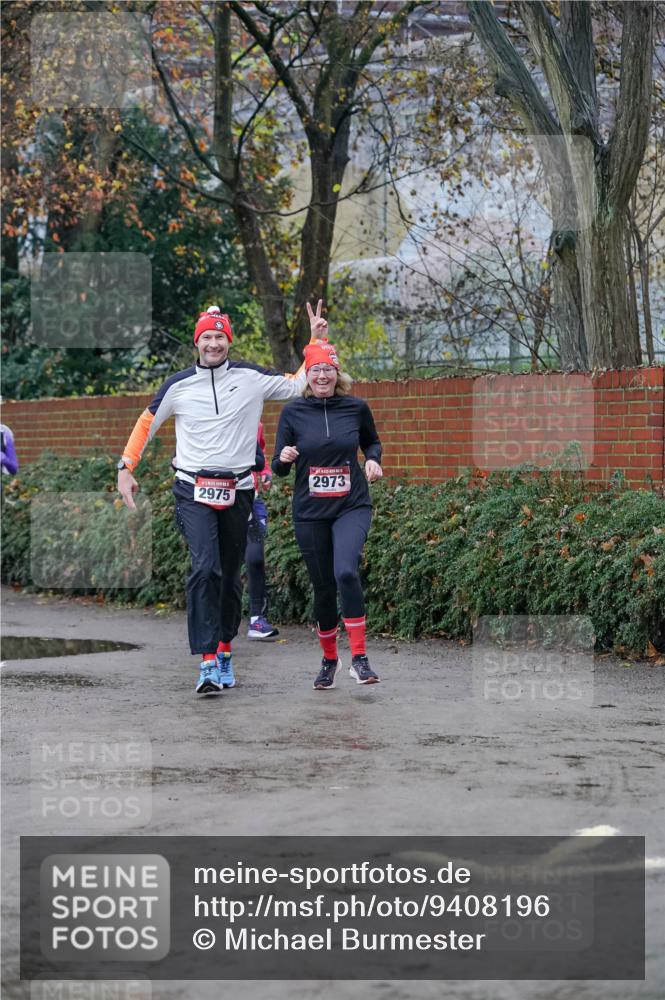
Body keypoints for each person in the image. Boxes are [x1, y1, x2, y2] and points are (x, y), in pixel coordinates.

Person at [117, 302, 327, 695]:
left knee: (230, 574)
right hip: (191, 489)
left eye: (219, 336)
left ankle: (226, 648)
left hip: (239, 490)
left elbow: (297, 383)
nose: (213, 343)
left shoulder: (251, 377)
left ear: (228, 341)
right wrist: (125, 467)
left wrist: (315, 342)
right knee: (204, 567)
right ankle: (207, 661)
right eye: (206, 337)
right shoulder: (178, 385)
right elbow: (147, 421)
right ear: (197, 343)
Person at [271, 338, 383, 690]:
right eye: (316, 369)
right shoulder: (292, 412)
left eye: (328, 369)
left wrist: (375, 460)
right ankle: (329, 660)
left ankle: (360, 659)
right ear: (307, 375)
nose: (322, 375)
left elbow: (372, 442)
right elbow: (277, 466)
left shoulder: (355, 407)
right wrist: (285, 457)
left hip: (351, 505)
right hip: (310, 512)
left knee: (346, 572)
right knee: (322, 587)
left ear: (337, 373)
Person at [245, 422, 279, 640]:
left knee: (255, 558)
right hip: (220, 503)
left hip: (252, 502)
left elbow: (260, 456)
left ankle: (257, 620)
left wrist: (265, 472)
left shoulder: (254, 424)